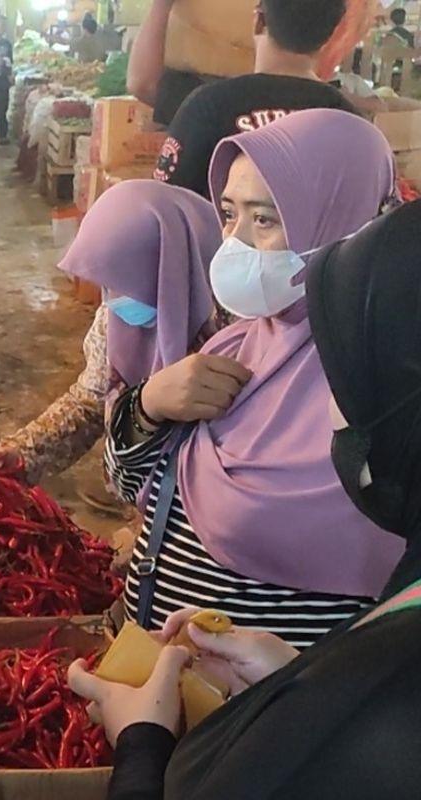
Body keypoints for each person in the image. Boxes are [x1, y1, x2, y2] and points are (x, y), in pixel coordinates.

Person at [69, 198, 421, 800]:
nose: (335, 411)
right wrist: (296, 680)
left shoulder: (390, 724)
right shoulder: (232, 349)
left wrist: (144, 747)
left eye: (351, 381)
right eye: (228, 211)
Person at [106, 109, 402, 649]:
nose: (234, 242)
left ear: (343, 221)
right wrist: (147, 407)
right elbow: (131, 488)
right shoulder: (232, 345)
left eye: (264, 219)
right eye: (227, 214)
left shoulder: (384, 401)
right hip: (157, 691)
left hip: (270, 708)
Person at [1, 181, 223, 489]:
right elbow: (91, 402)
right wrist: (22, 452)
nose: (112, 300)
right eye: (108, 285)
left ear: (173, 269)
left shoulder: (234, 333)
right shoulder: (112, 320)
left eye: (125, 283)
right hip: (142, 500)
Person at [152, 0, 354, 199]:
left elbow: (165, 204)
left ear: (259, 21)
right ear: (332, 35)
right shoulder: (350, 121)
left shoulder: (209, 107)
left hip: (222, 233)